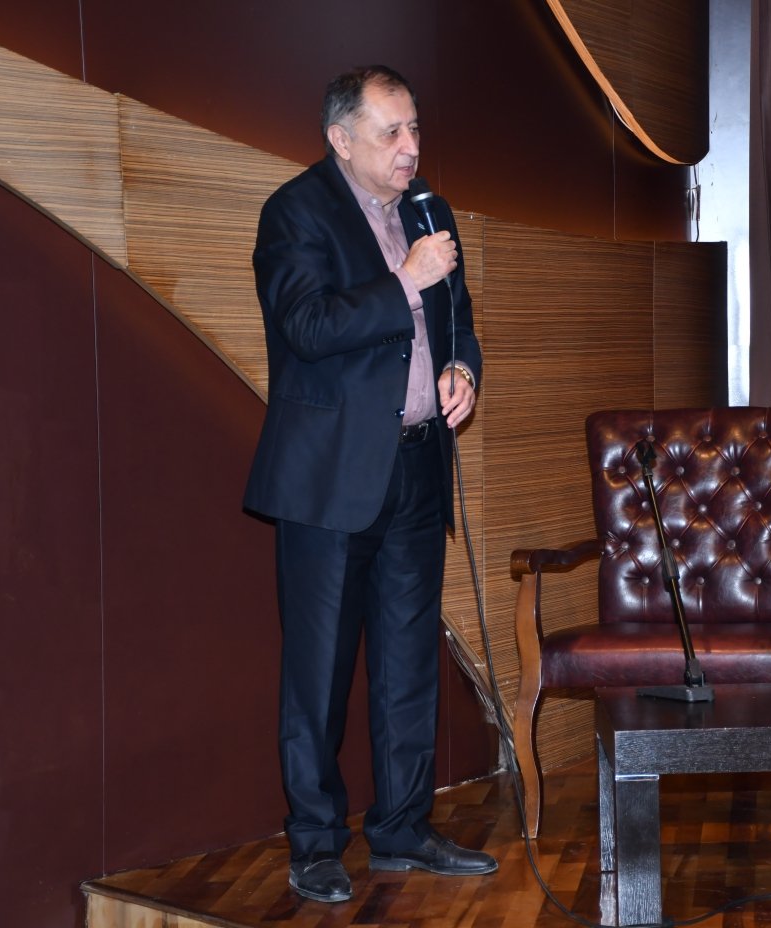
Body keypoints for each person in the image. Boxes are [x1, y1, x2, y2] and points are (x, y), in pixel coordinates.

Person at [243, 65, 493, 903]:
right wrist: (405, 281)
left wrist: (462, 369)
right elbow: (307, 326)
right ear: (341, 139)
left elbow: (460, 322)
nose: (411, 146)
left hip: (418, 464)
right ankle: (315, 843)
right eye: (392, 132)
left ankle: (402, 829)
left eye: (415, 128)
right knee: (319, 672)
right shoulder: (295, 213)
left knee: (406, 662)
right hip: (331, 479)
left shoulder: (429, 212)